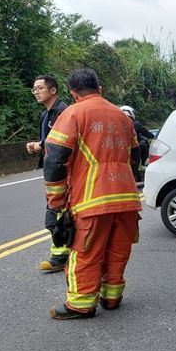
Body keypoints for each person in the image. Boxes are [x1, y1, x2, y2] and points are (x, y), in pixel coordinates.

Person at [43, 68, 142, 320]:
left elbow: (55, 161)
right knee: (118, 249)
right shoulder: (122, 117)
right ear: (101, 89)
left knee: (85, 252)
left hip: (92, 199)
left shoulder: (72, 114)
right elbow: (135, 156)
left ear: (73, 93)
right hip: (127, 198)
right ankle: (111, 297)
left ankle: (81, 304)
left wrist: (55, 205)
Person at [25, 75, 69, 272]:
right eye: (34, 88)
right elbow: (50, 142)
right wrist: (39, 146)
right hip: (53, 171)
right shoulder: (46, 115)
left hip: (64, 171)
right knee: (58, 212)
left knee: (56, 214)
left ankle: (62, 255)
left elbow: (63, 141)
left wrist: (40, 145)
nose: (36, 91)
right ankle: (63, 254)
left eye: (40, 88)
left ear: (53, 90)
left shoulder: (63, 112)